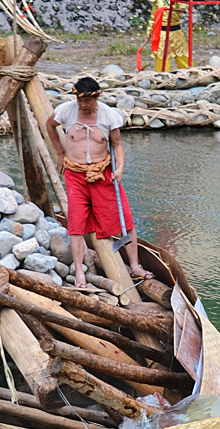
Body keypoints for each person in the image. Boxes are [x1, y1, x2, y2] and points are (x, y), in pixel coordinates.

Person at [45, 77, 150, 289]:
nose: (82, 105)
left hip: (103, 173)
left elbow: (117, 145)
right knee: (75, 223)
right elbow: (49, 125)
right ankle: (80, 276)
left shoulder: (109, 115)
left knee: (125, 218)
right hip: (75, 174)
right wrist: (59, 152)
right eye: (79, 100)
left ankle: (135, 266)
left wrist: (119, 168)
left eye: (87, 101)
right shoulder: (66, 110)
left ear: (97, 97)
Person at [147, 0, 189, 72]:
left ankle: (190, 73)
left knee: (182, 54)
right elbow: (154, 17)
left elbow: (183, 6)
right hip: (162, 32)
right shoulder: (157, 0)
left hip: (176, 31)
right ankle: (161, 77)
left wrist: (182, 8)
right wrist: (149, 32)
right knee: (161, 55)